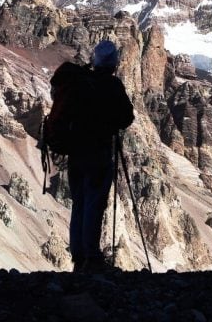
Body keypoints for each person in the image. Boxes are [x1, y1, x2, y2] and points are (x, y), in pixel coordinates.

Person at [64, 40, 134, 273]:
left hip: (75, 153)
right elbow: (126, 118)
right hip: (99, 152)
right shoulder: (112, 85)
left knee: (80, 203)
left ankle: (78, 257)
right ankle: (91, 258)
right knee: (94, 203)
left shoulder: (80, 83)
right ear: (114, 63)